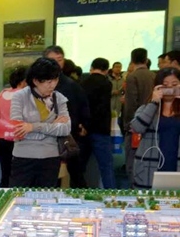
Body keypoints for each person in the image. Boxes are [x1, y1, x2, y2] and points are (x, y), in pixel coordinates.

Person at [9, 58, 71, 188]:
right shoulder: (20, 97)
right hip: (23, 157)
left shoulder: (59, 98)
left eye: (55, 80)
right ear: (36, 81)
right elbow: (18, 131)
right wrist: (53, 126)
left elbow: (65, 129)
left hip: (51, 158)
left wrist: (33, 127)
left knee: (47, 197)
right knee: (19, 196)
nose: (53, 85)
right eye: (48, 81)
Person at [44, 46, 91, 188]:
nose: (57, 63)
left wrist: (82, 125)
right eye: (52, 60)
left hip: (68, 138)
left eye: (60, 59)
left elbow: (83, 108)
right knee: (49, 177)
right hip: (45, 138)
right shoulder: (37, 84)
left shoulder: (71, 85)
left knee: (75, 174)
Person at [132, 68, 180, 189]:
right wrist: (154, 103)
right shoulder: (147, 108)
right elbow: (137, 127)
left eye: (174, 84)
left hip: (175, 164)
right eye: (165, 85)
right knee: (148, 199)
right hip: (149, 166)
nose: (170, 88)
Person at [81, 58, 116, 189]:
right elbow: (101, 109)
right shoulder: (107, 84)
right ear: (106, 70)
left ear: (91, 68)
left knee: (80, 166)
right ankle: (110, 194)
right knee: (106, 166)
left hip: (84, 130)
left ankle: (78, 193)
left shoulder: (83, 82)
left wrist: (84, 125)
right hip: (101, 129)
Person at [124, 48, 155, 187]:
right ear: (146, 59)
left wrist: (128, 125)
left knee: (133, 162)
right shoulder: (154, 75)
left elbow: (131, 104)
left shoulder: (132, 77)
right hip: (153, 122)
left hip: (137, 125)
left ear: (132, 60)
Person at [0, 66, 27, 187]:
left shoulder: (2, 94)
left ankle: (3, 196)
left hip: (3, 140)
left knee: (5, 174)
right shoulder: (23, 96)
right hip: (20, 139)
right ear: (23, 81)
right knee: (20, 175)